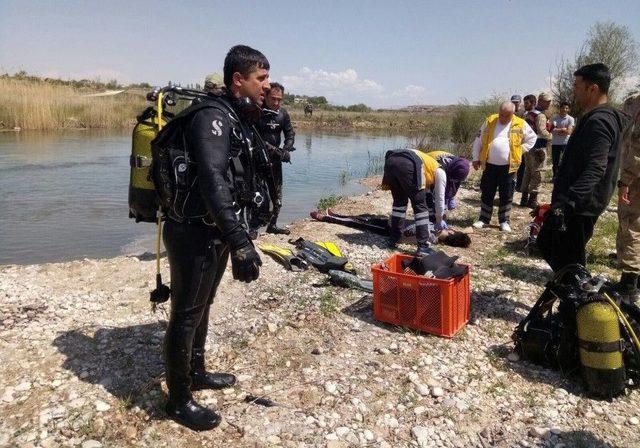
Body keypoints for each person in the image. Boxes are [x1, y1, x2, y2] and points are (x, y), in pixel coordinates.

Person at [162, 45, 269, 431]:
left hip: (212, 230)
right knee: (186, 312)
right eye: (261, 78)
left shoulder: (230, 114)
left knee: (204, 303)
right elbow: (211, 179)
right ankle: (177, 400)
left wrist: (233, 234)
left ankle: (197, 371)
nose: (266, 86)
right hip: (193, 232)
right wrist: (240, 241)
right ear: (237, 80)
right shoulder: (211, 116)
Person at [537, 63, 627, 272]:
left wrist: (567, 203)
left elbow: (596, 168)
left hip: (581, 205)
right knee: (550, 244)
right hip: (579, 202)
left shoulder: (600, 122)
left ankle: (576, 301)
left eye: (577, 86)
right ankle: (570, 296)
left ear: (592, 88)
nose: (573, 91)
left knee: (569, 263)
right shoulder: (597, 118)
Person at [471, 101, 537, 232]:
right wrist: (475, 158)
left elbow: (532, 138)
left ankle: (504, 221)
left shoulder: (521, 123)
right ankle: (484, 219)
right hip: (489, 165)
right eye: (500, 114)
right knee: (487, 192)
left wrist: (520, 150)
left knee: (506, 194)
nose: (502, 117)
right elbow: (478, 140)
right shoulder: (490, 121)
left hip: (509, 167)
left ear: (513, 114)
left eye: (505, 115)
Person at [382, 149, 447, 255]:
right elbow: (440, 198)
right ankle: (423, 246)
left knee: (399, 203)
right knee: (420, 206)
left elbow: (424, 189)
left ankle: (394, 238)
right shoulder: (440, 172)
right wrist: (439, 220)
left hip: (390, 162)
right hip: (409, 163)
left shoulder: (428, 164)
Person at [256, 82, 295, 235]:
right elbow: (254, 136)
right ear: (265, 96)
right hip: (257, 161)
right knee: (256, 192)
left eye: (279, 99)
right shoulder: (256, 112)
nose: (276, 102)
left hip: (275, 161)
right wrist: (274, 150)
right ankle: (253, 226)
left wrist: (285, 149)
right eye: (273, 98)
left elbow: (290, 134)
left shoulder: (283, 114)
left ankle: (272, 225)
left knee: (277, 194)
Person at [614, 93, 640, 306]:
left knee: (631, 225)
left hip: (636, 179)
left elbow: (636, 146)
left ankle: (629, 285)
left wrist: (625, 180)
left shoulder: (636, 102)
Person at [520, 92, 553, 208]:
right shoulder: (541, 116)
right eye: (547, 101)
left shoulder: (529, 113)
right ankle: (532, 199)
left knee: (528, 172)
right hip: (538, 148)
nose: (549, 103)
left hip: (528, 147)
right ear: (541, 101)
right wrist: (552, 136)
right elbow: (542, 131)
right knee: (538, 174)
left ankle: (523, 198)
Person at [516, 94, 538, 192]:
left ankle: (525, 189)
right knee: (522, 166)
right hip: (522, 143)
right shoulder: (525, 114)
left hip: (530, 145)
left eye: (527, 103)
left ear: (533, 103)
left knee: (529, 168)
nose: (525, 105)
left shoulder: (535, 115)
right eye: (524, 103)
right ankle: (520, 186)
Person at [550, 101, 575, 180]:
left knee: (565, 160)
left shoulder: (570, 119)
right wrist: (563, 129)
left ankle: (564, 176)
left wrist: (558, 130)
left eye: (566, 108)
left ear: (568, 109)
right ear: (560, 108)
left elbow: (569, 131)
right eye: (563, 107)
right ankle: (555, 177)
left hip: (565, 143)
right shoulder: (554, 118)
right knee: (555, 161)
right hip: (555, 143)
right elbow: (551, 130)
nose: (564, 109)